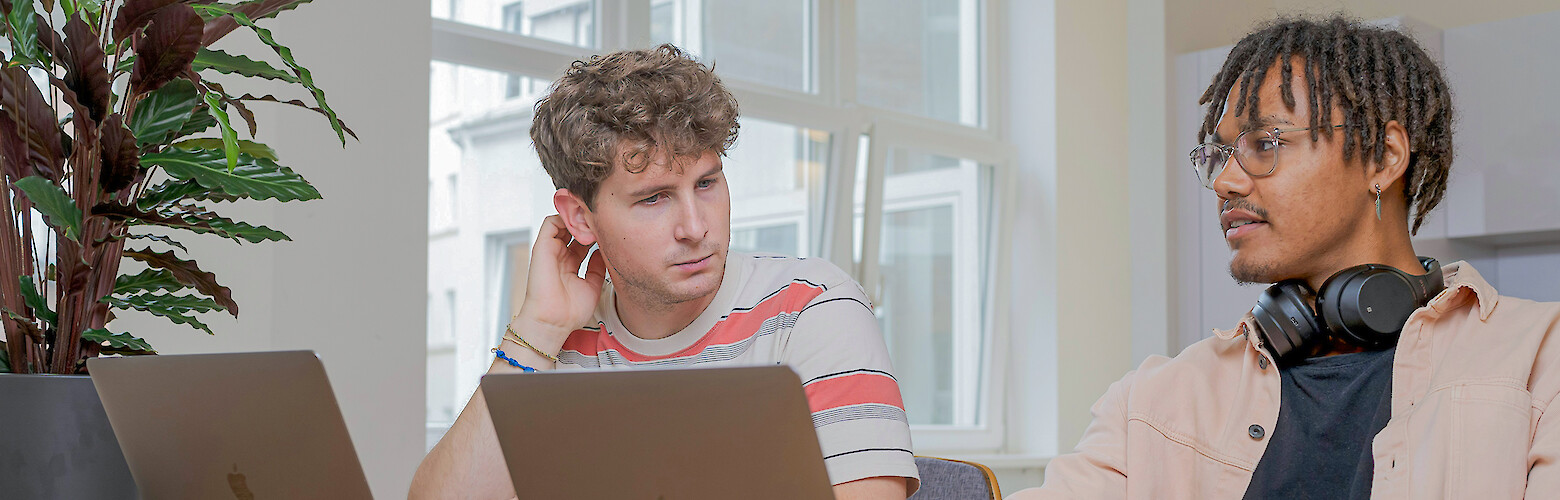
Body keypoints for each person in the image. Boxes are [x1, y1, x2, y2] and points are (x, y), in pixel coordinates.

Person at [1012, 16, 1560, 499]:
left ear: (1384, 157)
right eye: (1219, 154)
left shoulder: (1540, 363)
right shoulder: (1151, 404)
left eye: (1264, 143)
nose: (1224, 182)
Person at [409, 45, 918, 500]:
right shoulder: (561, 343)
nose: (696, 228)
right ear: (580, 218)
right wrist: (536, 329)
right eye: (654, 198)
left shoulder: (812, 307)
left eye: (706, 184)